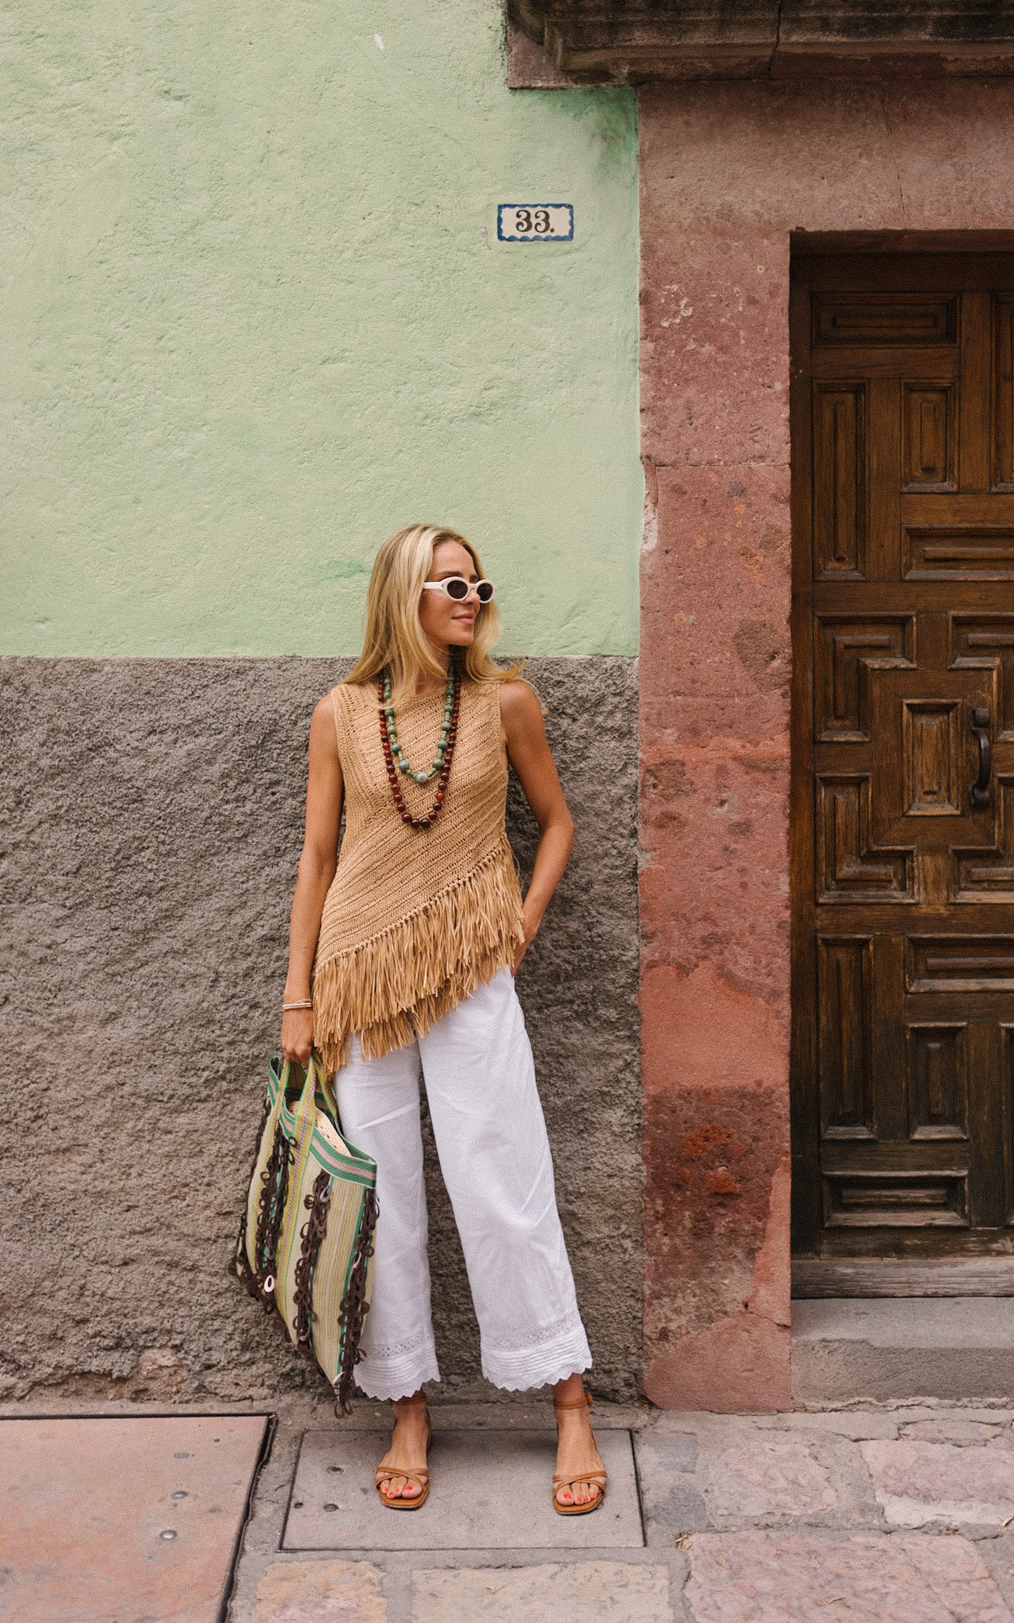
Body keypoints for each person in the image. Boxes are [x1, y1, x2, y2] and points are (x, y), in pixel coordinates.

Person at [279, 524, 605, 1515]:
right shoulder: (339, 714)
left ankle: (569, 1399)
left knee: (503, 1173)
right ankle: (406, 1405)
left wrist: (524, 918)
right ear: (405, 595)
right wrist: (297, 995)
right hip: (358, 982)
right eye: (450, 583)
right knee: (383, 1196)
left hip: (469, 966)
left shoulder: (504, 704)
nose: (470, 597)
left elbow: (557, 822)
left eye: (478, 583)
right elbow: (318, 859)